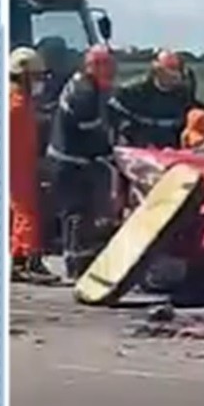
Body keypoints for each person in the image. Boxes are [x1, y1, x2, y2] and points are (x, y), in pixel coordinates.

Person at [47, 45, 118, 280]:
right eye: (108, 66)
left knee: (81, 213)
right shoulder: (84, 92)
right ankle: (76, 265)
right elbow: (91, 130)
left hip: (73, 160)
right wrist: (110, 152)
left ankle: (80, 261)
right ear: (95, 66)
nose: (112, 71)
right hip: (70, 162)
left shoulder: (84, 85)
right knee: (76, 213)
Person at [10, 47, 57, 283]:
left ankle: (19, 258)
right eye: (37, 76)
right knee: (27, 212)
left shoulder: (21, 102)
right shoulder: (16, 105)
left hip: (23, 164)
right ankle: (30, 259)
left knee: (22, 212)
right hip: (17, 166)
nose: (40, 82)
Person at [110, 49, 192, 148]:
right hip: (138, 149)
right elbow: (116, 118)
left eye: (177, 68)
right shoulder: (132, 92)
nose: (174, 74)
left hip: (171, 150)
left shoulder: (184, 95)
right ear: (156, 68)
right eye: (170, 67)